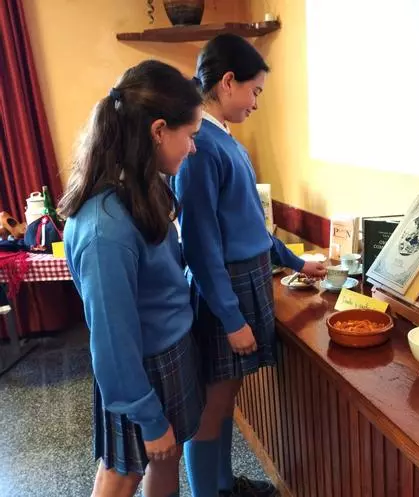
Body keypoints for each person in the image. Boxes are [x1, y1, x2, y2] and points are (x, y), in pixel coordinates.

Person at [172, 34, 327, 497]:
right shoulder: (200, 147)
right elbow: (200, 247)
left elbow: (249, 228)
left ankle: (222, 485)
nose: (257, 102)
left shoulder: (223, 139)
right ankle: (208, 492)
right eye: (255, 90)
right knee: (212, 409)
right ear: (227, 82)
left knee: (229, 396)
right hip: (227, 291)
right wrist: (232, 317)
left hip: (245, 280)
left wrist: (297, 260)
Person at [59, 60, 204, 497]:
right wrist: (148, 415)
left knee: (168, 455)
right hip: (140, 371)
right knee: (121, 475)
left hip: (167, 351)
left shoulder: (142, 189)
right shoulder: (107, 228)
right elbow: (112, 343)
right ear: (159, 130)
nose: (192, 149)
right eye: (190, 136)